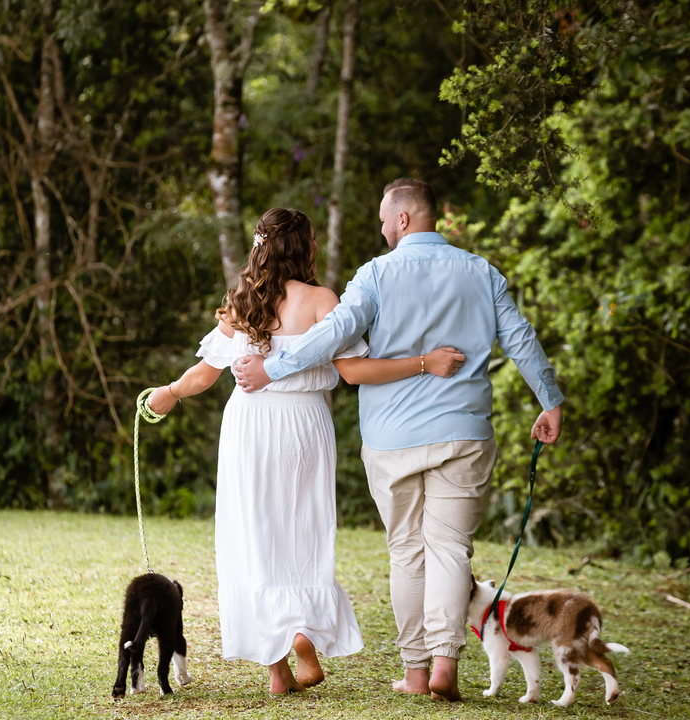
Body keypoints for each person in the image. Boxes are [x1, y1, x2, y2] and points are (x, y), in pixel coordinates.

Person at [233, 179, 564, 702]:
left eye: (386, 219)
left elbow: (332, 333)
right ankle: (445, 663)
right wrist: (550, 401)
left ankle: (414, 672)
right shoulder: (482, 272)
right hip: (464, 432)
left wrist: (273, 367)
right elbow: (521, 338)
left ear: (405, 218)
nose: (382, 228)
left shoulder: (374, 275)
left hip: (392, 439)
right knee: (452, 549)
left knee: (407, 551)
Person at [145, 207, 467, 695]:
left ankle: (279, 671)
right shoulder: (321, 300)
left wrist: (167, 393)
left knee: (254, 536)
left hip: (249, 424)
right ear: (304, 248)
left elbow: (204, 375)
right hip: (304, 425)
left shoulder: (242, 300)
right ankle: (300, 636)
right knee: (304, 531)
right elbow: (356, 372)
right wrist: (424, 362)